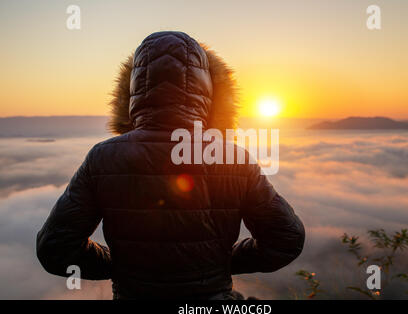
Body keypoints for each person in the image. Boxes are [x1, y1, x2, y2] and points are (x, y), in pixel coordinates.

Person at [36, 31, 305, 299]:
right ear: (211, 91)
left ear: (131, 90)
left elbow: (55, 249)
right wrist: (220, 264)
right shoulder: (233, 159)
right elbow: (285, 239)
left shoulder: (103, 158)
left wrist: (119, 265)